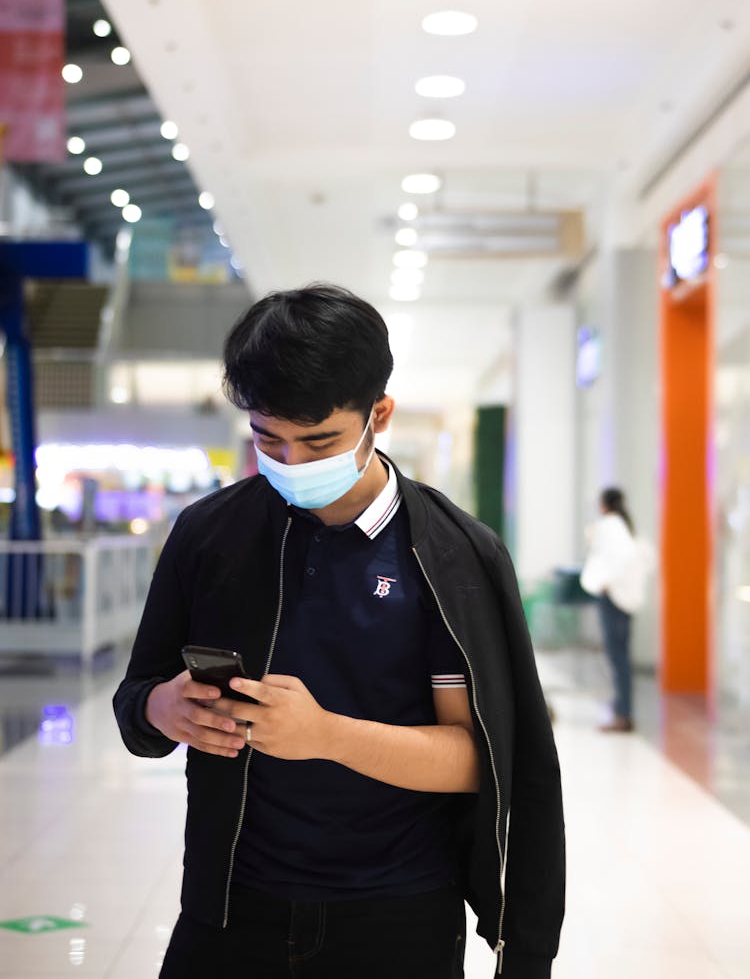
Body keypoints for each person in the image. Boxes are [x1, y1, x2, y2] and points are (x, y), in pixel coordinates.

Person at [113, 284, 565, 979]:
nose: (291, 462)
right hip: (231, 904)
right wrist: (160, 707)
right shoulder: (210, 534)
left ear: (377, 413)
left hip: (398, 912)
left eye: (318, 439)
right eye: (269, 438)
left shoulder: (450, 556)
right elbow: (135, 699)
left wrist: (325, 734)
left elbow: (484, 760)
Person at [581, 487, 653, 733]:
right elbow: (645, 558)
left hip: (614, 599)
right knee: (622, 658)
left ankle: (623, 714)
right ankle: (623, 710)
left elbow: (619, 559)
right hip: (627, 600)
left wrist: (606, 583)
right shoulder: (628, 526)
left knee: (618, 658)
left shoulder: (610, 525)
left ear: (604, 505)